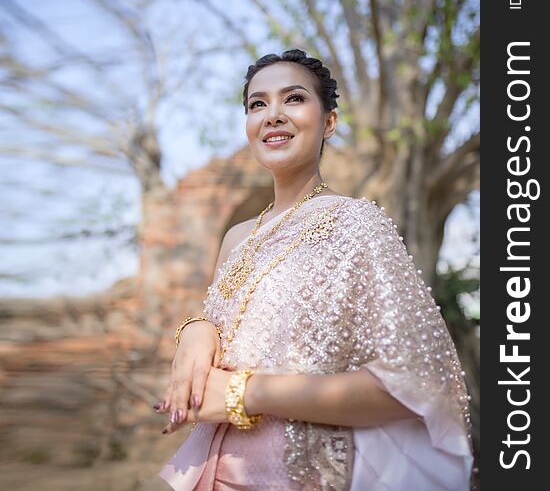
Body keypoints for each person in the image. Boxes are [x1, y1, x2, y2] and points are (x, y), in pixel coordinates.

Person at [156, 49, 474, 490]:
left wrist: (245, 393)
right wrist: (197, 329)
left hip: (299, 475)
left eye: (294, 99)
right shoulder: (236, 237)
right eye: (257, 104)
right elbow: (224, 329)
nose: (273, 115)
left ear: (329, 121)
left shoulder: (357, 225)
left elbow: (414, 385)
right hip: (213, 473)